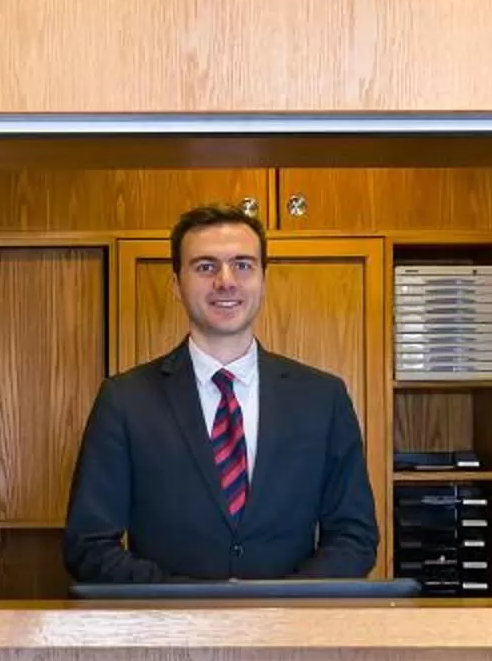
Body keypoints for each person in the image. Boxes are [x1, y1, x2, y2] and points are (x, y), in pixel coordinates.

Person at [62, 203, 379, 583]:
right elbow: (89, 546)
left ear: (263, 278)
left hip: (290, 633)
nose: (226, 281)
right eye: (205, 266)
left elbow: (354, 537)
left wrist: (279, 605)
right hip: (169, 635)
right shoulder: (124, 400)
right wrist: (193, 603)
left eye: (243, 265)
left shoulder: (323, 398)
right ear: (176, 284)